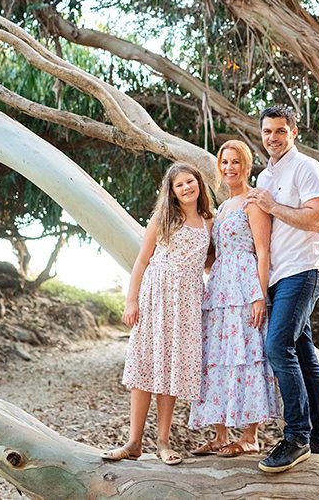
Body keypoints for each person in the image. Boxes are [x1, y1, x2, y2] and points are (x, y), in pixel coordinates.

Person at [102, 162, 213, 466]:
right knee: (145, 369)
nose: (187, 188)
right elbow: (141, 261)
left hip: (187, 301)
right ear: (172, 191)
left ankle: (163, 442)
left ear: (199, 184)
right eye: (180, 185)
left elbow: (210, 261)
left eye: (191, 182)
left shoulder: (208, 221)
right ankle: (134, 442)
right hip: (155, 295)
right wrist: (131, 301)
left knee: (173, 371)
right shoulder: (163, 218)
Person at [245, 105, 319, 473]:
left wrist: (273, 206)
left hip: (303, 271)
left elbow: (316, 220)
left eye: (280, 131)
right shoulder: (266, 177)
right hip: (279, 277)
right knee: (305, 357)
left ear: (293, 132)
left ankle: (297, 436)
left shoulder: (307, 168)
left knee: (276, 347)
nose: (272, 137)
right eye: (267, 131)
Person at [188, 140, 280, 457]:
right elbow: (214, 256)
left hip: (245, 286)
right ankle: (220, 433)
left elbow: (263, 250)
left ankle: (250, 436)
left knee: (247, 355)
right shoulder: (223, 207)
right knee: (217, 356)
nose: (229, 168)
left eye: (235, 162)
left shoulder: (252, 202)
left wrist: (259, 295)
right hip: (220, 289)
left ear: (246, 165)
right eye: (224, 162)